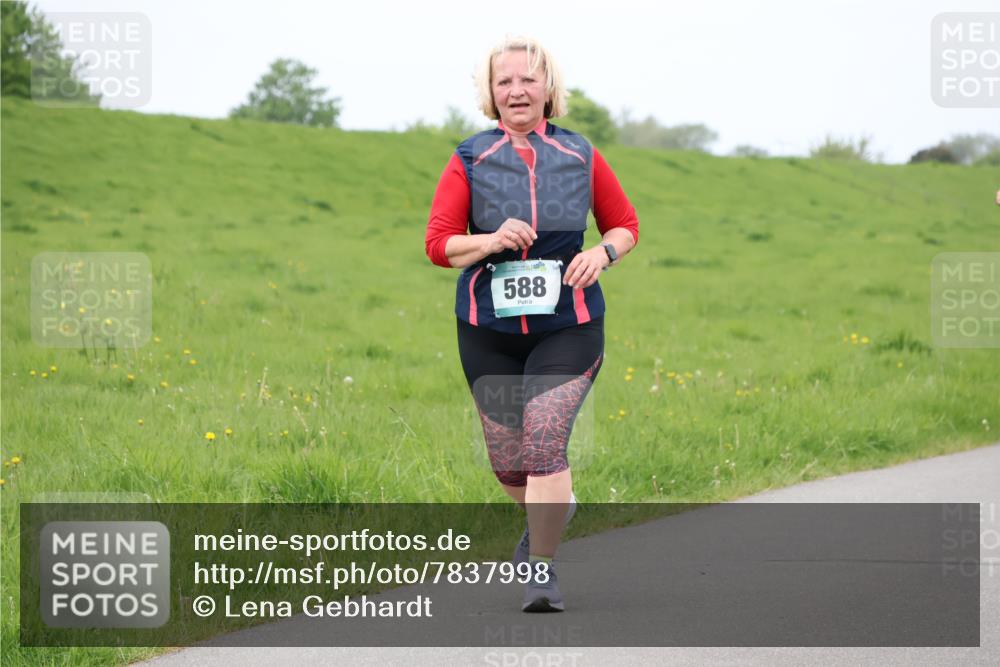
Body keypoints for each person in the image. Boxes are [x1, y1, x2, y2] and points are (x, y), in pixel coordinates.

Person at [424, 35, 639, 612]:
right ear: (491, 94)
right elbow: (438, 245)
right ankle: (553, 508)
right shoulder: (470, 157)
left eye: (527, 79)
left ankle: (541, 570)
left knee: (545, 440)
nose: (517, 90)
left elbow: (624, 225)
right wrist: (491, 240)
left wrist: (604, 255)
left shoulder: (580, 154)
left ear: (548, 88)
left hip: (568, 325)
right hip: (487, 330)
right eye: (504, 81)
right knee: (510, 464)